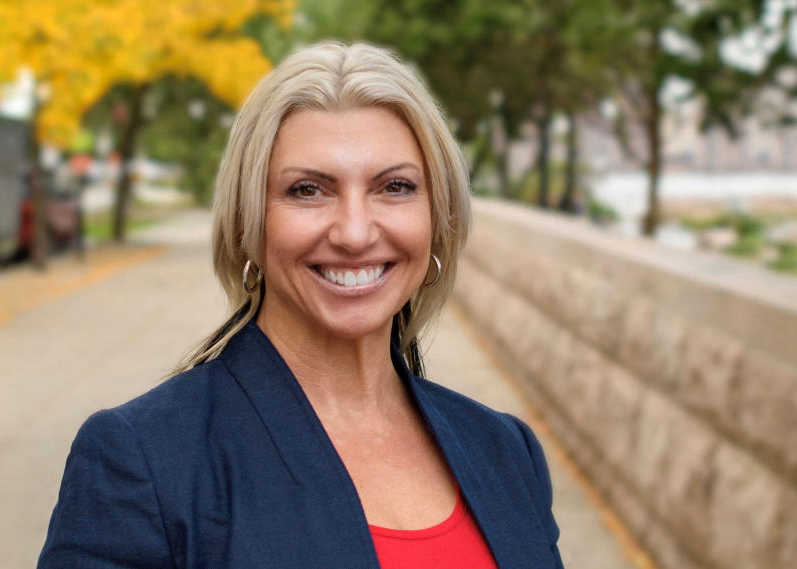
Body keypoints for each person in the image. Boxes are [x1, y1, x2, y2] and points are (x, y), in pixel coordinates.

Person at [38, 42, 563, 569]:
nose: (355, 233)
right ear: (249, 222)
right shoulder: (143, 460)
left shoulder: (505, 451)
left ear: (438, 219)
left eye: (395, 186)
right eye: (308, 190)